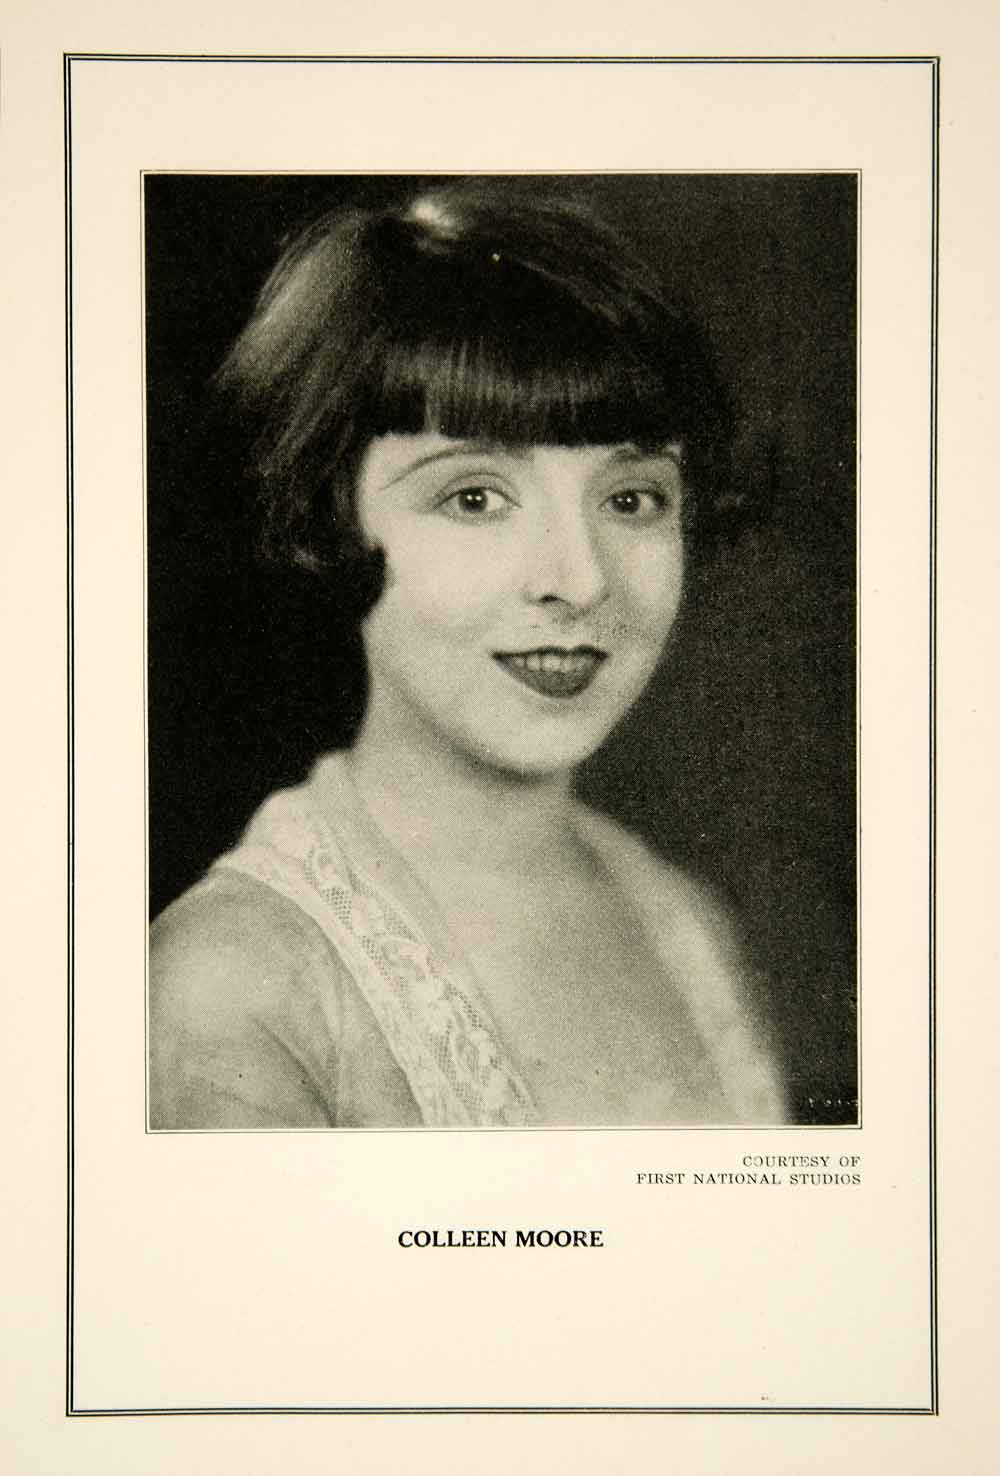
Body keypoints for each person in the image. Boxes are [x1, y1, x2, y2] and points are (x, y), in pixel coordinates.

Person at [148, 182, 787, 1129]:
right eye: (476, 498)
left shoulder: (689, 926)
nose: (580, 581)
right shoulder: (230, 987)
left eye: (632, 499)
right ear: (330, 517)